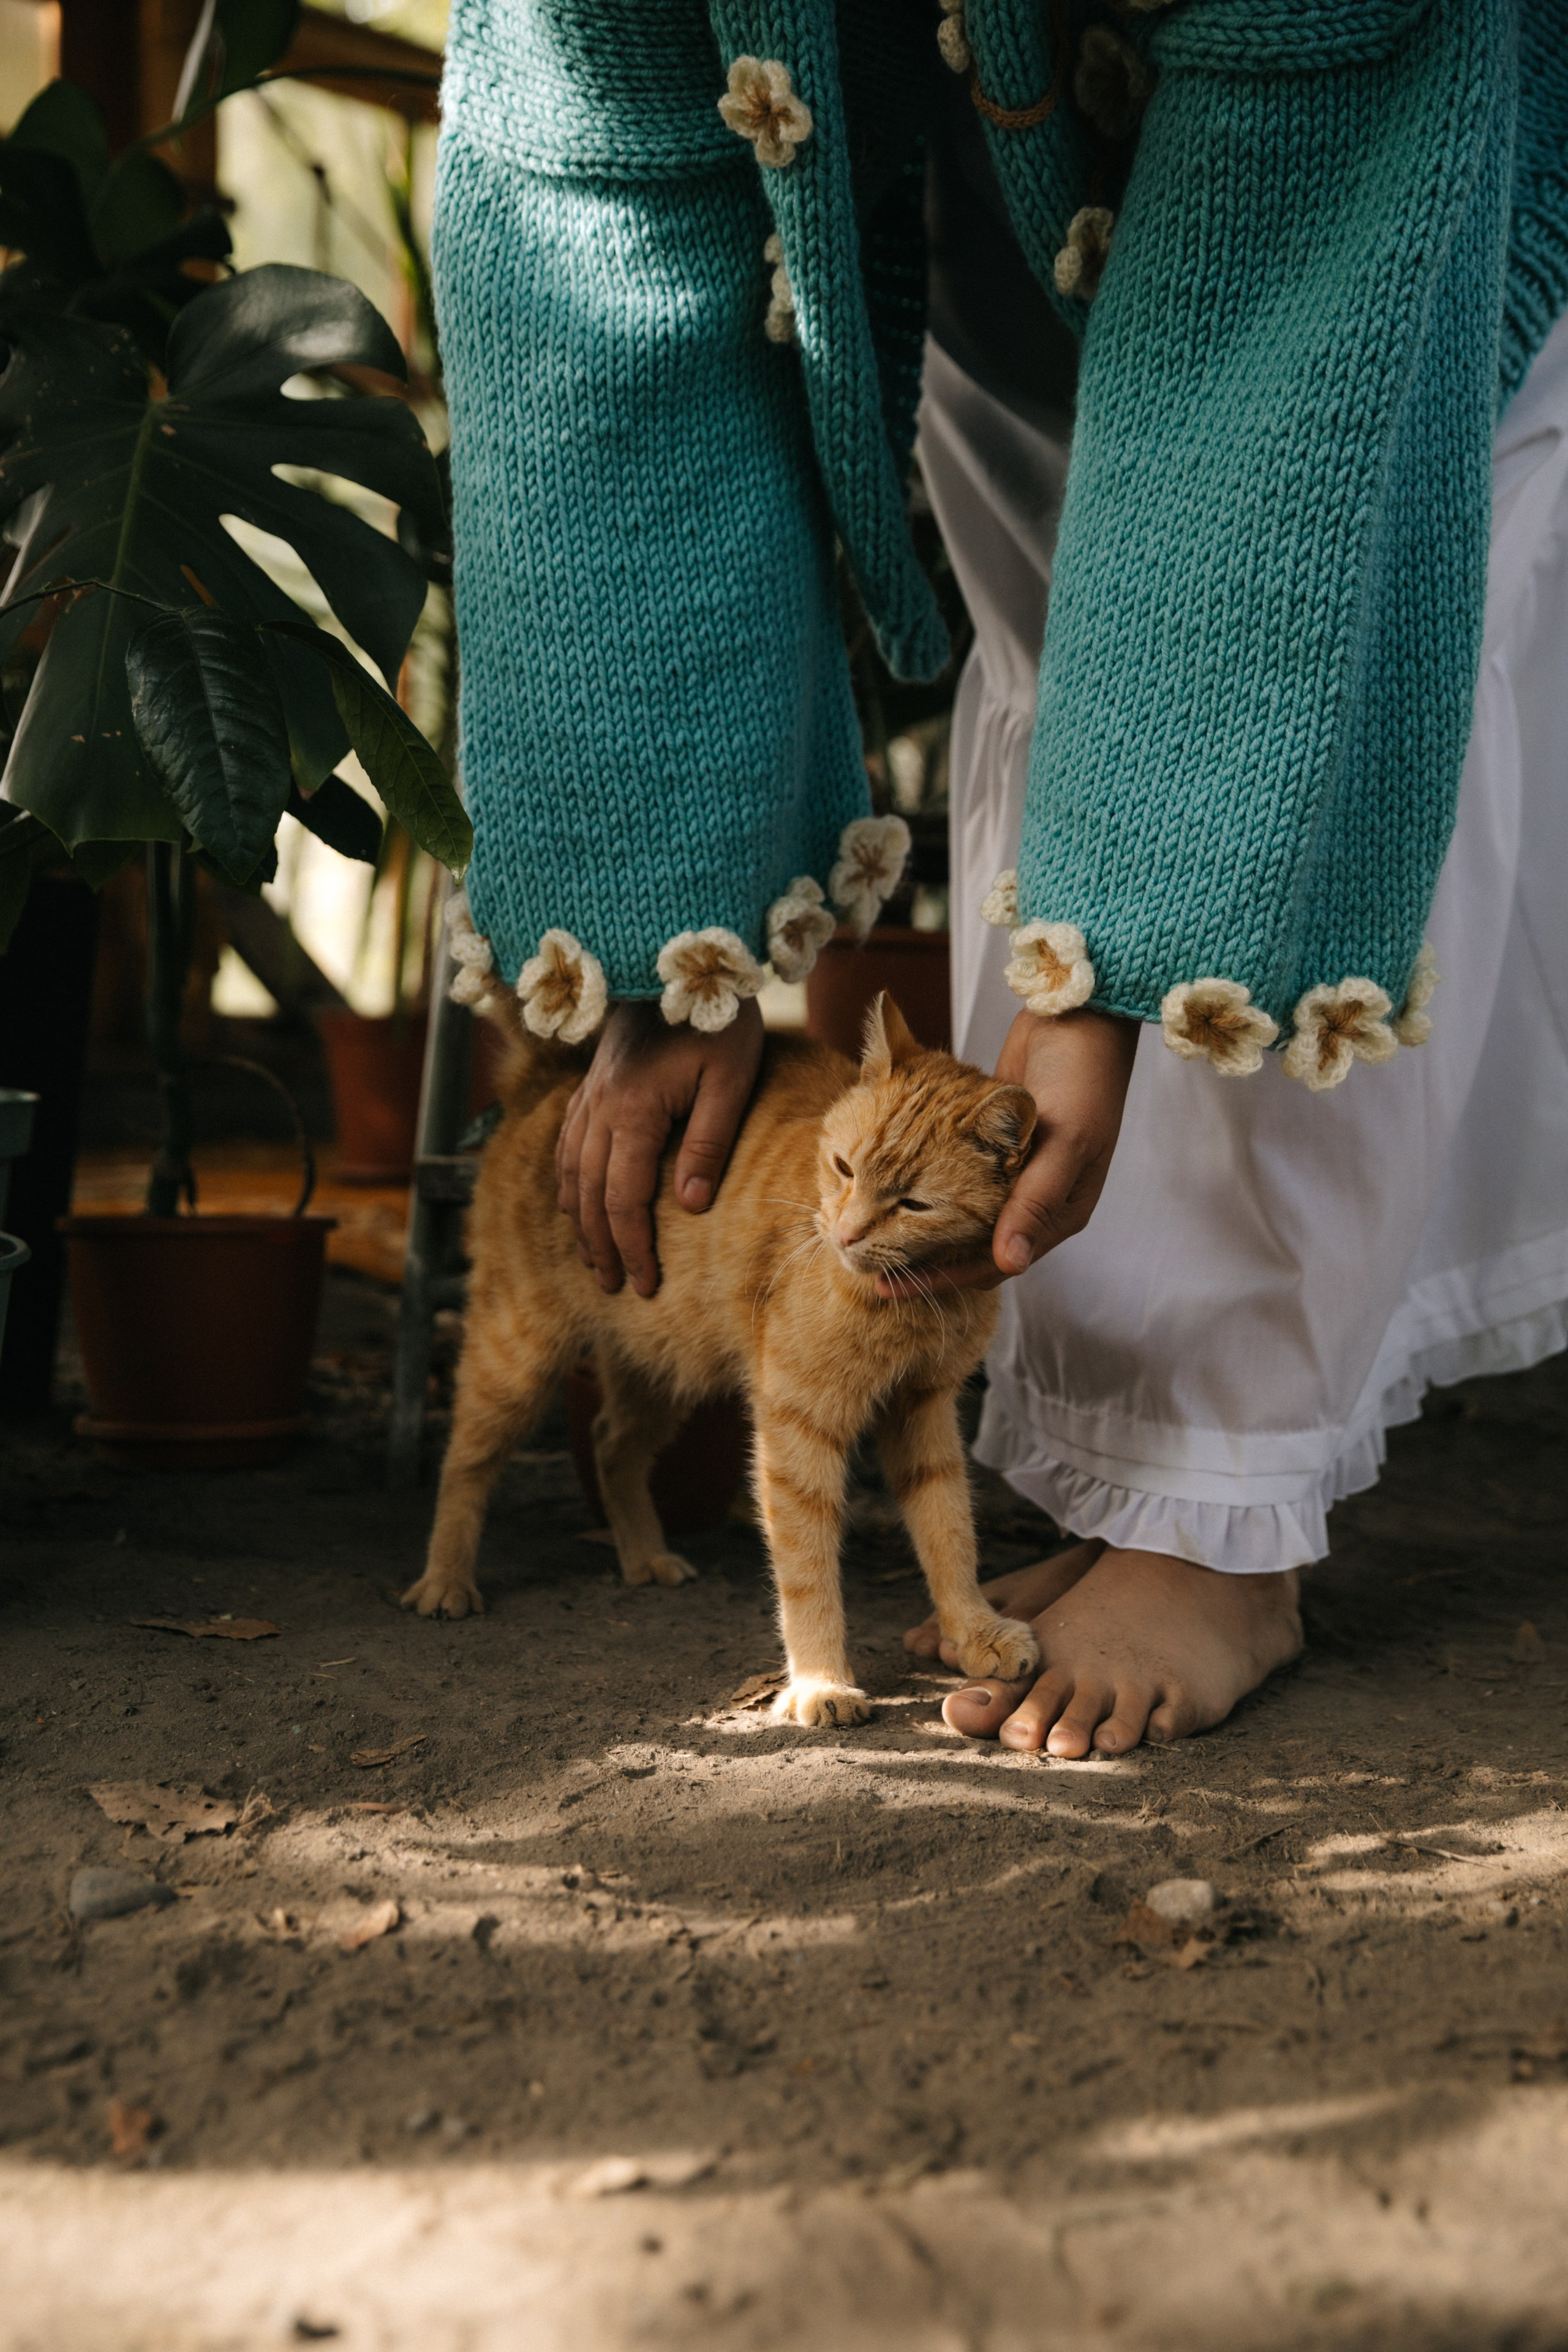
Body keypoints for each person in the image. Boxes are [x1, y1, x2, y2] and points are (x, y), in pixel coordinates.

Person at [431, 0, 1568, 1755]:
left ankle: (1216, 1526)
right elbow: (597, 213)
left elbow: (1312, 214)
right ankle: (1148, 1482)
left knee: (1297, 750)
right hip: (982, 198)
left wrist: (1140, 956)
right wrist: (681, 940)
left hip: (1370, 196)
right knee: (1060, 687)